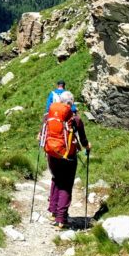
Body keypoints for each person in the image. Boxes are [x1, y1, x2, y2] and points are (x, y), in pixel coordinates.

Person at [43, 91, 90, 229]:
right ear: (70, 103)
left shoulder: (49, 116)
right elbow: (83, 139)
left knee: (56, 179)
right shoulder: (75, 119)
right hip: (68, 156)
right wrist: (87, 146)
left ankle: (53, 211)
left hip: (52, 153)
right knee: (66, 184)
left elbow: (42, 134)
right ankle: (61, 219)